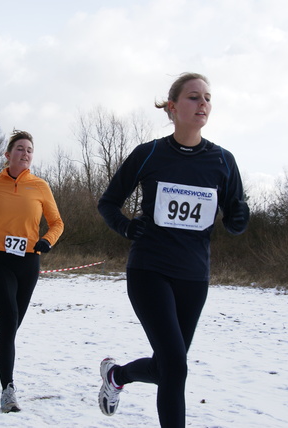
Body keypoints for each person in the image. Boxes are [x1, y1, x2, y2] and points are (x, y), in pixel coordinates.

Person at [96, 72, 249, 427]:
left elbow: (234, 222)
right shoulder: (149, 154)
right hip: (149, 269)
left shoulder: (223, 161)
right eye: (194, 97)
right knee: (176, 367)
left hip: (194, 277)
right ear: (173, 107)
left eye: (208, 98)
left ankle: (116, 376)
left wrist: (240, 215)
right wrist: (125, 225)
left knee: (169, 367)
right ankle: (117, 378)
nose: (203, 104)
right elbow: (108, 203)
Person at [0, 130, 64, 413]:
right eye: (20, 148)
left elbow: (57, 222)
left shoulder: (40, 186)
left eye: (30, 149)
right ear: (8, 155)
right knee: (10, 323)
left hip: (28, 261)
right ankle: (8, 390)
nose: (26, 153)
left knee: (12, 323)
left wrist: (47, 240)